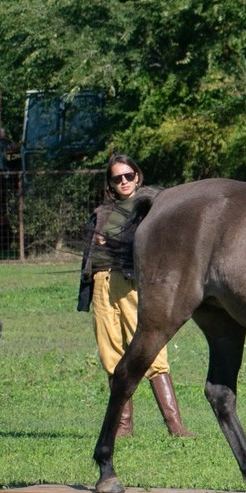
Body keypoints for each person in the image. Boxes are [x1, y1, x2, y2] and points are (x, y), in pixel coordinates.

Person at [79, 154, 193, 439]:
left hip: (131, 285)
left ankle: (175, 426)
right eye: (118, 178)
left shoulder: (148, 208)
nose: (124, 182)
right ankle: (123, 427)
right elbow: (90, 252)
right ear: (111, 183)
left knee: (151, 350)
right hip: (102, 282)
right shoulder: (102, 213)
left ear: (137, 176)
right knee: (111, 354)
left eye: (128, 176)